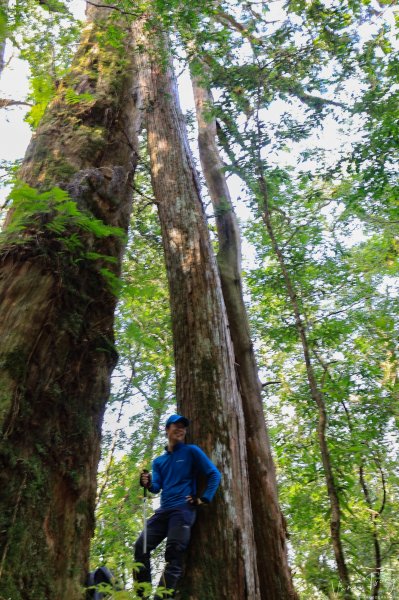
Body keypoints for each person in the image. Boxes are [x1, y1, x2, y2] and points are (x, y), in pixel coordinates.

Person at [134, 414, 221, 599]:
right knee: (140, 546)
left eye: (183, 427)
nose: (180, 429)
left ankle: (162, 597)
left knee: (173, 555)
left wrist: (203, 499)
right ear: (167, 429)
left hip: (182, 510)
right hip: (163, 511)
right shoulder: (159, 461)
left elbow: (214, 474)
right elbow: (156, 487)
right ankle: (142, 595)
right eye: (176, 426)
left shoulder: (191, 451)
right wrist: (147, 483)